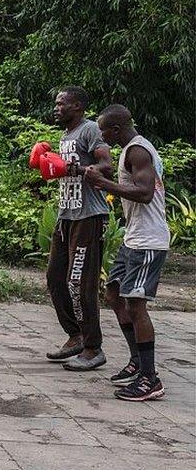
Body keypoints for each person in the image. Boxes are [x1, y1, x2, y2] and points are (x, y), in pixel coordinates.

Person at [84, 105, 170, 401]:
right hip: (133, 237)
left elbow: (145, 194)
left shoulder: (138, 152)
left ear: (116, 130)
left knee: (136, 306)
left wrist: (103, 184)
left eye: (105, 132)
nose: (103, 138)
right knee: (113, 294)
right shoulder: (129, 152)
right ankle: (137, 362)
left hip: (149, 240)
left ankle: (150, 378)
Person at [42, 86, 112, 371]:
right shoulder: (66, 135)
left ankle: (94, 347)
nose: (57, 108)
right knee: (55, 277)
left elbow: (106, 166)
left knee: (80, 282)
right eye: (56, 103)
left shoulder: (90, 129)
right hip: (67, 215)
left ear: (78, 106)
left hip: (88, 216)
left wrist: (74, 169)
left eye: (63, 104)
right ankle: (76, 336)